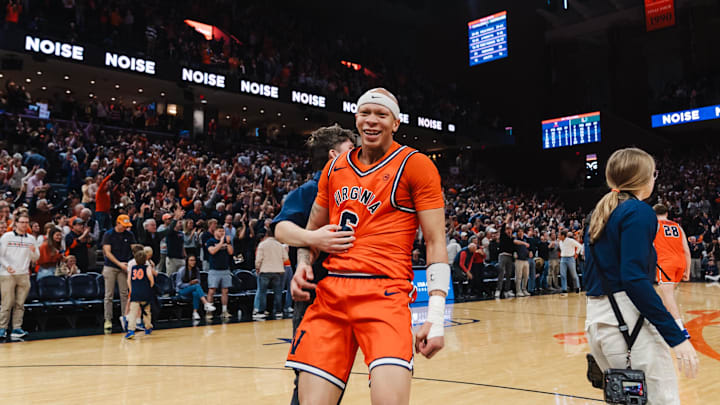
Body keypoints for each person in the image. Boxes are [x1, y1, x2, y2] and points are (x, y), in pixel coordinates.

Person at [286, 88, 449, 405]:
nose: (372, 121)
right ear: (356, 119)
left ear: (396, 123)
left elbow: (435, 241)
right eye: (365, 114)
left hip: (384, 294)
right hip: (331, 296)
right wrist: (304, 263)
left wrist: (437, 316)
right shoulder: (334, 168)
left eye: (381, 114)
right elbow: (312, 231)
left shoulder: (416, 165)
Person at [584, 147, 698, 404]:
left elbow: (592, 279)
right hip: (629, 328)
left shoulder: (596, 215)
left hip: (597, 325)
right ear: (645, 178)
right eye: (654, 174)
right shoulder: (639, 212)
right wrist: (676, 337)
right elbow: (634, 279)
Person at [271, 124, 355, 405]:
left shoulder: (358, 189)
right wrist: (312, 237)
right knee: (309, 379)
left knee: (335, 380)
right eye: (349, 150)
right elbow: (281, 229)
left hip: (351, 293)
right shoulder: (310, 189)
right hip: (315, 296)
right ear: (333, 155)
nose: (356, 155)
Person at [653, 204, 692, 339]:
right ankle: (664, 324)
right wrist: (688, 270)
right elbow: (687, 250)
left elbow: (649, 246)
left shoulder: (654, 225)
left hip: (666, 263)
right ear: (667, 214)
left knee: (668, 296)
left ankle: (680, 328)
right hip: (680, 262)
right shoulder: (678, 227)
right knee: (665, 295)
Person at [0, 213, 38, 340]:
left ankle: (17, 328)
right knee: (7, 302)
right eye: (22, 222)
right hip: (7, 274)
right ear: (16, 223)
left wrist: (33, 251)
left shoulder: (31, 239)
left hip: (23, 274)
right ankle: (2, 328)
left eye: (26, 222)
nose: (24, 224)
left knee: (20, 303)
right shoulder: (7, 237)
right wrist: (7, 266)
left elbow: (36, 258)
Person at [102, 214, 136, 332]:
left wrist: (145, 259)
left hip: (124, 267)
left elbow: (135, 249)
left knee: (124, 294)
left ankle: (125, 318)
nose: (125, 228)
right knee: (109, 295)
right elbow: (107, 252)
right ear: (118, 223)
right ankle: (108, 320)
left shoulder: (129, 235)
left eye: (127, 226)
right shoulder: (108, 234)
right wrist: (119, 264)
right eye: (124, 225)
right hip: (110, 267)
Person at [253, 228, 289, 320]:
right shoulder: (280, 245)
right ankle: (278, 312)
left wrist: (257, 268)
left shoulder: (262, 244)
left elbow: (258, 259)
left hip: (265, 271)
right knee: (278, 293)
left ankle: (261, 312)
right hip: (278, 271)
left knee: (262, 292)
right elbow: (285, 258)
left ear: (266, 235)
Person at [124, 249, 154, 339]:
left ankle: (131, 331)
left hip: (135, 293)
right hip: (145, 292)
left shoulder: (132, 268)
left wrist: (131, 290)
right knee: (146, 311)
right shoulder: (147, 267)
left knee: (133, 312)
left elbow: (128, 280)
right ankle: (148, 328)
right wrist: (150, 287)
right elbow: (151, 279)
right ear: (145, 259)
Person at [175, 255, 215, 320]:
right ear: (187, 261)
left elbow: (199, 281)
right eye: (191, 260)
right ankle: (206, 303)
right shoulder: (181, 270)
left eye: (194, 260)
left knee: (196, 293)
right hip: (182, 291)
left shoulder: (196, 269)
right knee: (196, 286)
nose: (193, 262)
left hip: (192, 289)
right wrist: (189, 284)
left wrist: (195, 282)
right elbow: (179, 285)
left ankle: (195, 313)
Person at [205, 226, 233, 320]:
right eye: (219, 231)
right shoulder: (210, 241)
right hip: (214, 269)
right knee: (211, 290)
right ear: (215, 232)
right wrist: (221, 242)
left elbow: (231, 252)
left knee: (225, 291)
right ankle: (209, 311)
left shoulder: (226, 241)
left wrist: (228, 242)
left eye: (223, 231)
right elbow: (212, 251)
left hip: (225, 269)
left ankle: (224, 311)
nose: (222, 232)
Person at [558, 229, 583, 295]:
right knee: (563, 274)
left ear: (563, 236)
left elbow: (579, 246)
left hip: (570, 258)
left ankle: (577, 287)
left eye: (559, 235)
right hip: (563, 258)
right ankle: (564, 289)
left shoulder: (570, 241)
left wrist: (576, 254)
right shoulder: (560, 242)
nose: (558, 236)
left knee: (574, 274)